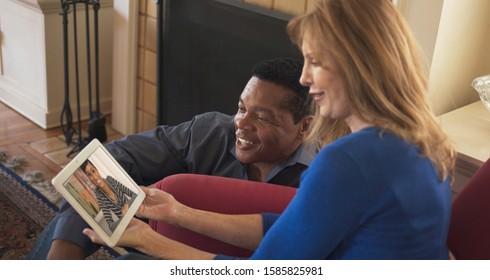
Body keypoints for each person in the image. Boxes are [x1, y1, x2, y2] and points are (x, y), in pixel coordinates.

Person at [83, 0, 457, 260]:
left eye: (314, 62)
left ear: (357, 67)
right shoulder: (421, 139)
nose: (305, 78)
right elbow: (294, 230)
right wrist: (179, 213)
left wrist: (149, 241)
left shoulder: (348, 162)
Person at [26, 57, 314, 259]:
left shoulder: (324, 179)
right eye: (241, 108)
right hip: (165, 248)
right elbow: (112, 157)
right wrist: (65, 249)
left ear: (304, 127)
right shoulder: (210, 132)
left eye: (261, 117)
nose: (241, 123)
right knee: (73, 223)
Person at [81, 160, 137, 232]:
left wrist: (127, 204)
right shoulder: (99, 196)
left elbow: (134, 195)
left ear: (97, 170)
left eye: (93, 171)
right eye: (89, 175)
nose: (95, 177)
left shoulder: (110, 180)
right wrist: (124, 217)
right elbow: (111, 226)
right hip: (130, 227)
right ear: (88, 179)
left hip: (138, 213)